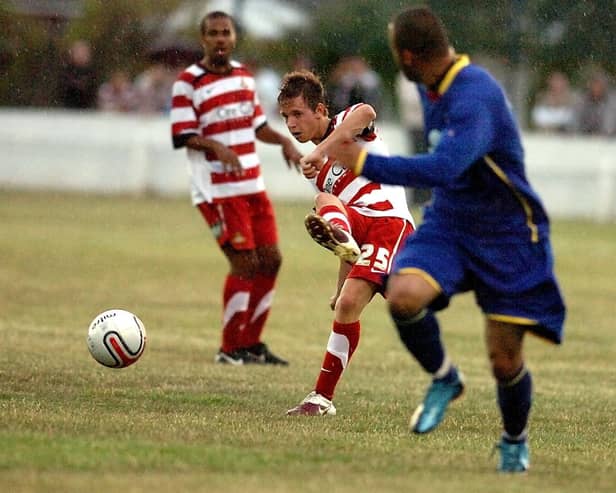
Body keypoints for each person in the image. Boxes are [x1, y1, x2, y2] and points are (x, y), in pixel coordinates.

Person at [316, 7, 566, 473]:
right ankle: (444, 377)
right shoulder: (429, 86)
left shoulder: (475, 95)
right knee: (404, 297)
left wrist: (364, 163)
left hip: (508, 231)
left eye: (396, 54)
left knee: (503, 356)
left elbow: (444, 167)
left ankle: (514, 440)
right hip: (451, 222)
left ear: (408, 56)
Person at [277, 70, 415, 415]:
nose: (291, 124)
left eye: (297, 114)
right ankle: (320, 399)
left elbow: (367, 112)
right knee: (346, 304)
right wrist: (340, 287)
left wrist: (318, 151)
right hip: (358, 232)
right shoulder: (319, 172)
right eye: (285, 117)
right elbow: (344, 242)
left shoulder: (347, 124)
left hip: (390, 225)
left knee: (413, 311)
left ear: (320, 110)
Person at [170, 11, 302, 365]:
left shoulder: (244, 76)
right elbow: (182, 135)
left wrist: (285, 142)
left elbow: (258, 126)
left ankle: (252, 343)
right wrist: (216, 147)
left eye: (225, 32)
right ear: (203, 39)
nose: (220, 39)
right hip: (217, 190)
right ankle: (229, 349)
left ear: (234, 38)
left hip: (251, 184)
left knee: (271, 260)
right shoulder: (188, 81)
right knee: (244, 262)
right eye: (212, 33)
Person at [574, 69, 616, 136]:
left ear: (605, 86)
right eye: (594, 84)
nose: (596, 88)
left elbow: (610, 125)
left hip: (608, 139)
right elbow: (576, 123)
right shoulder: (582, 101)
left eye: (600, 85)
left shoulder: (612, 102)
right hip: (585, 138)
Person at [60, 40, 97, 109]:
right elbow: (62, 93)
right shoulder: (65, 71)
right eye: (78, 52)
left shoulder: (92, 72)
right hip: (67, 111)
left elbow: (93, 94)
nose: (81, 55)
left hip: (87, 112)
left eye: (83, 52)